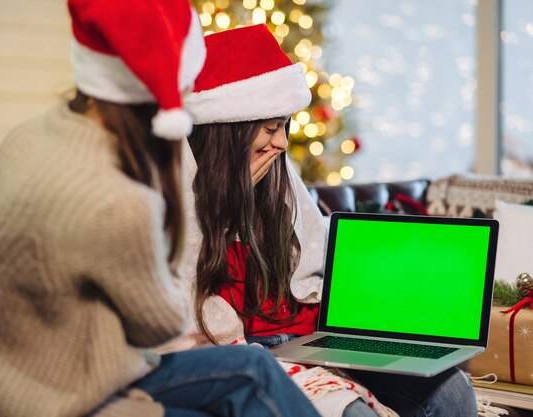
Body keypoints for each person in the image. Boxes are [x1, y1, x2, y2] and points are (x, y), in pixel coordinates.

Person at [0, 3, 322, 417]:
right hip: (56, 394)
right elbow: (160, 324)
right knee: (251, 370)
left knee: (252, 364)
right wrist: (179, 210)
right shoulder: (119, 194)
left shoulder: (28, 137)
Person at [173, 24, 477, 417]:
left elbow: (317, 262)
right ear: (230, 134)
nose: (282, 142)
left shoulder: (275, 177)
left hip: (311, 338)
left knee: (451, 390)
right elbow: (186, 324)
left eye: (284, 127)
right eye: (270, 129)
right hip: (256, 356)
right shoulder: (174, 207)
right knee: (351, 411)